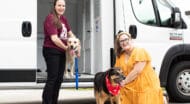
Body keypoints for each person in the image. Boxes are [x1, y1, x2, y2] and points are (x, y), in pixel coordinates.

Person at [114, 31, 165, 104]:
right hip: (128, 87)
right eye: (121, 41)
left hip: (145, 86)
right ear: (119, 44)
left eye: (126, 39)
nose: (124, 42)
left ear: (131, 40)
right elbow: (117, 71)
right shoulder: (120, 56)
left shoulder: (140, 51)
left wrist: (124, 82)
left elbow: (137, 71)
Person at [42, 0, 76, 104]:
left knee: (59, 79)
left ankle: (54, 101)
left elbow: (70, 34)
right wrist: (67, 48)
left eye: (63, 5)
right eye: (59, 5)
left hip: (61, 52)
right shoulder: (50, 18)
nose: (61, 7)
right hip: (51, 50)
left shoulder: (64, 19)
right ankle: (47, 102)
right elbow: (54, 39)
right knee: (52, 78)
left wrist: (75, 45)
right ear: (54, 6)